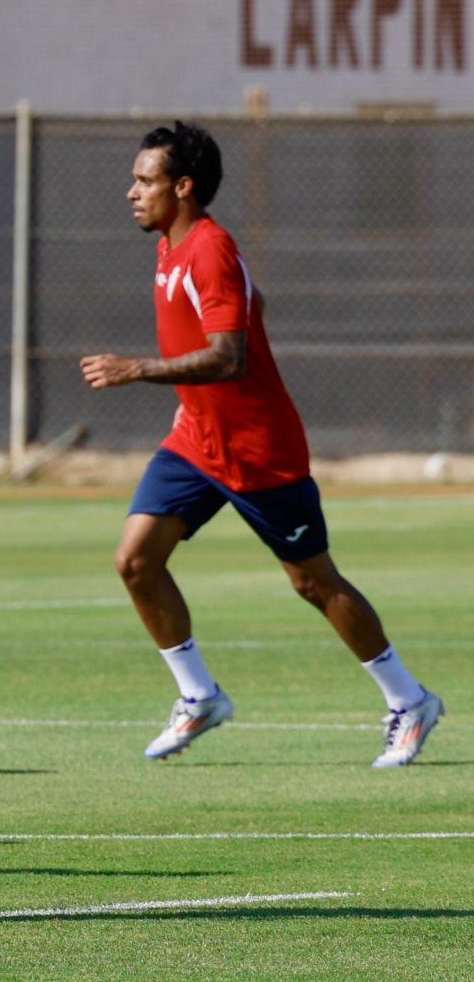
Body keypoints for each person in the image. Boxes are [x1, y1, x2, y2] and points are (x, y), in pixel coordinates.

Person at [80, 120, 443, 767]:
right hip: (196, 440)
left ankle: (409, 699)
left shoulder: (209, 250)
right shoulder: (171, 245)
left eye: (145, 180)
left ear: (183, 187)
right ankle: (199, 697)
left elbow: (229, 355)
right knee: (136, 561)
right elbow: (252, 304)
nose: (131, 191)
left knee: (314, 584)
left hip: (258, 451)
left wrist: (137, 368)